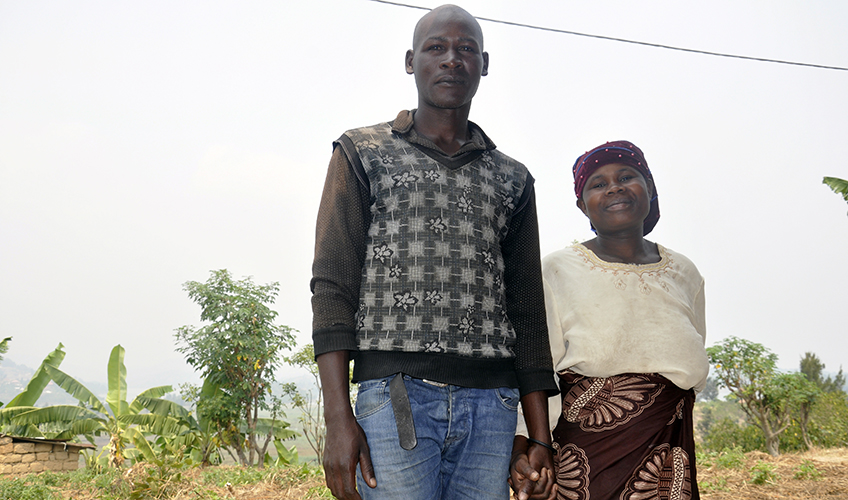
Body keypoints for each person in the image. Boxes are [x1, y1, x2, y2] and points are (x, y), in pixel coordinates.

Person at [310, 5, 558, 500]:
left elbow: (527, 312)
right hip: (393, 397)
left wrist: (539, 438)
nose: (452, 59)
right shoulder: (362, 153)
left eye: (466, 49)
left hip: (493, 408)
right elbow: (332, 286)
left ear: (484, 65)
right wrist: (339, 417)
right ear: (410, 61)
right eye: (436, 48)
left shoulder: (512, 178)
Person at [509, 141, 709, 500]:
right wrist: (530, 443)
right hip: (588, 457)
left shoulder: (684, 272)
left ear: (649, 187)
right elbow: (541, 367)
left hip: (669, 449)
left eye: (627, 176)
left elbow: (693, 356)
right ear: (582, 204)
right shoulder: (557, 270)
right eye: (597, 184)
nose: (614, 187)